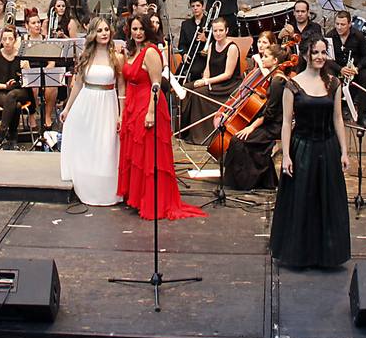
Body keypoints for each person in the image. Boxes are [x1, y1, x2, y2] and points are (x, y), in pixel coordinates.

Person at [270, 38, 351, 269]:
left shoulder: (334, 83)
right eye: (315, 52)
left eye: (323, 52)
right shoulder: (292, 85)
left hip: (327, 147)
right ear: (306, 54)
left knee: (326, 202)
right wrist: (286, 155)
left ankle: (326, 255)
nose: (319, 56)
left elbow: (338, 118)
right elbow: (286, 123)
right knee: (301, 203)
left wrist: (344, 151)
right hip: (302, 148)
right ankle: (300, 254)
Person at [117, 16, 206, 220]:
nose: (138, 32)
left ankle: (153, 201)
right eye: (134, 29)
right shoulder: (132, 51)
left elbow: (156, 85)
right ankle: (139, 198)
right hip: (132, 105)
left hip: (149, 105)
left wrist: (150, 112)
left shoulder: (150, 52)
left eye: (141, 28)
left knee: (150, 156)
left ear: (147, 30)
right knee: (138, 155)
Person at [59, 18, 122, 205]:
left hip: (107, 103)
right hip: (86, 101)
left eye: (106, 30)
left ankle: (105, 187)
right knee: (87, 142)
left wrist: (121, 113)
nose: (104, 33)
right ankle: (86, 180)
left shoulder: (116, 57)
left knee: (106, 144)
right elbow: (78, 83)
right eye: (100, 30)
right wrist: (68, 108)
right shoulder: (86, 56)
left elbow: (122, 88)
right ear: (93, 33)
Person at [221, 41, 288, 190]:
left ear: (275, 61)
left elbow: (270, 114)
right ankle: (263, 180)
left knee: (238, 141)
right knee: (239, 139)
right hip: (271, 123)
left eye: (265, 56)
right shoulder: (274, 77)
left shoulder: (278, 80)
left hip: (275, 127)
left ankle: (246, 182)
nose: (262, 59)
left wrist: (251, 127)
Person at [180, 17, 240, 145]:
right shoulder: (212, 45)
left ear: (227, 31)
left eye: (221, 30)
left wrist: (207, 82)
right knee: (187, 88)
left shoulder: (232, 47)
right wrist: (205, 79)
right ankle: (185, 131)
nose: (218, 33)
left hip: (228, 85)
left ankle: (201, 136)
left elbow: (228, 74)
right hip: (214, 82)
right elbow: (207, 67)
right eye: (215, 30)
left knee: (198, 94)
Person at [0, 26, 27, 148]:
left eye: (10, 39)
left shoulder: (21, 56)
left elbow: (27, 82)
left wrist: (26, 68)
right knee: (16, 105)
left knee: (13, 95)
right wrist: (5, 86)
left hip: (19, 91)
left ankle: (1, 134)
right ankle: (13, 137)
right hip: (0, 91)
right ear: (1, 40)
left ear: (15, 40)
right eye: (5, 39)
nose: (7, 42)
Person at [329, 11, 366, 127]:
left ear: (349, 24)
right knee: (329, 77)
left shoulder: (358, 35)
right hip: (337, 67)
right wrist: (340, 69)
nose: (339, 27)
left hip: (354, 67)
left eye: (342, 24)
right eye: (337, 24)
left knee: (365, 77)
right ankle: (331, 115)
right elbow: (327, 58)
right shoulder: (330, 35)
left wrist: (357, 68)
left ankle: (362, 116)